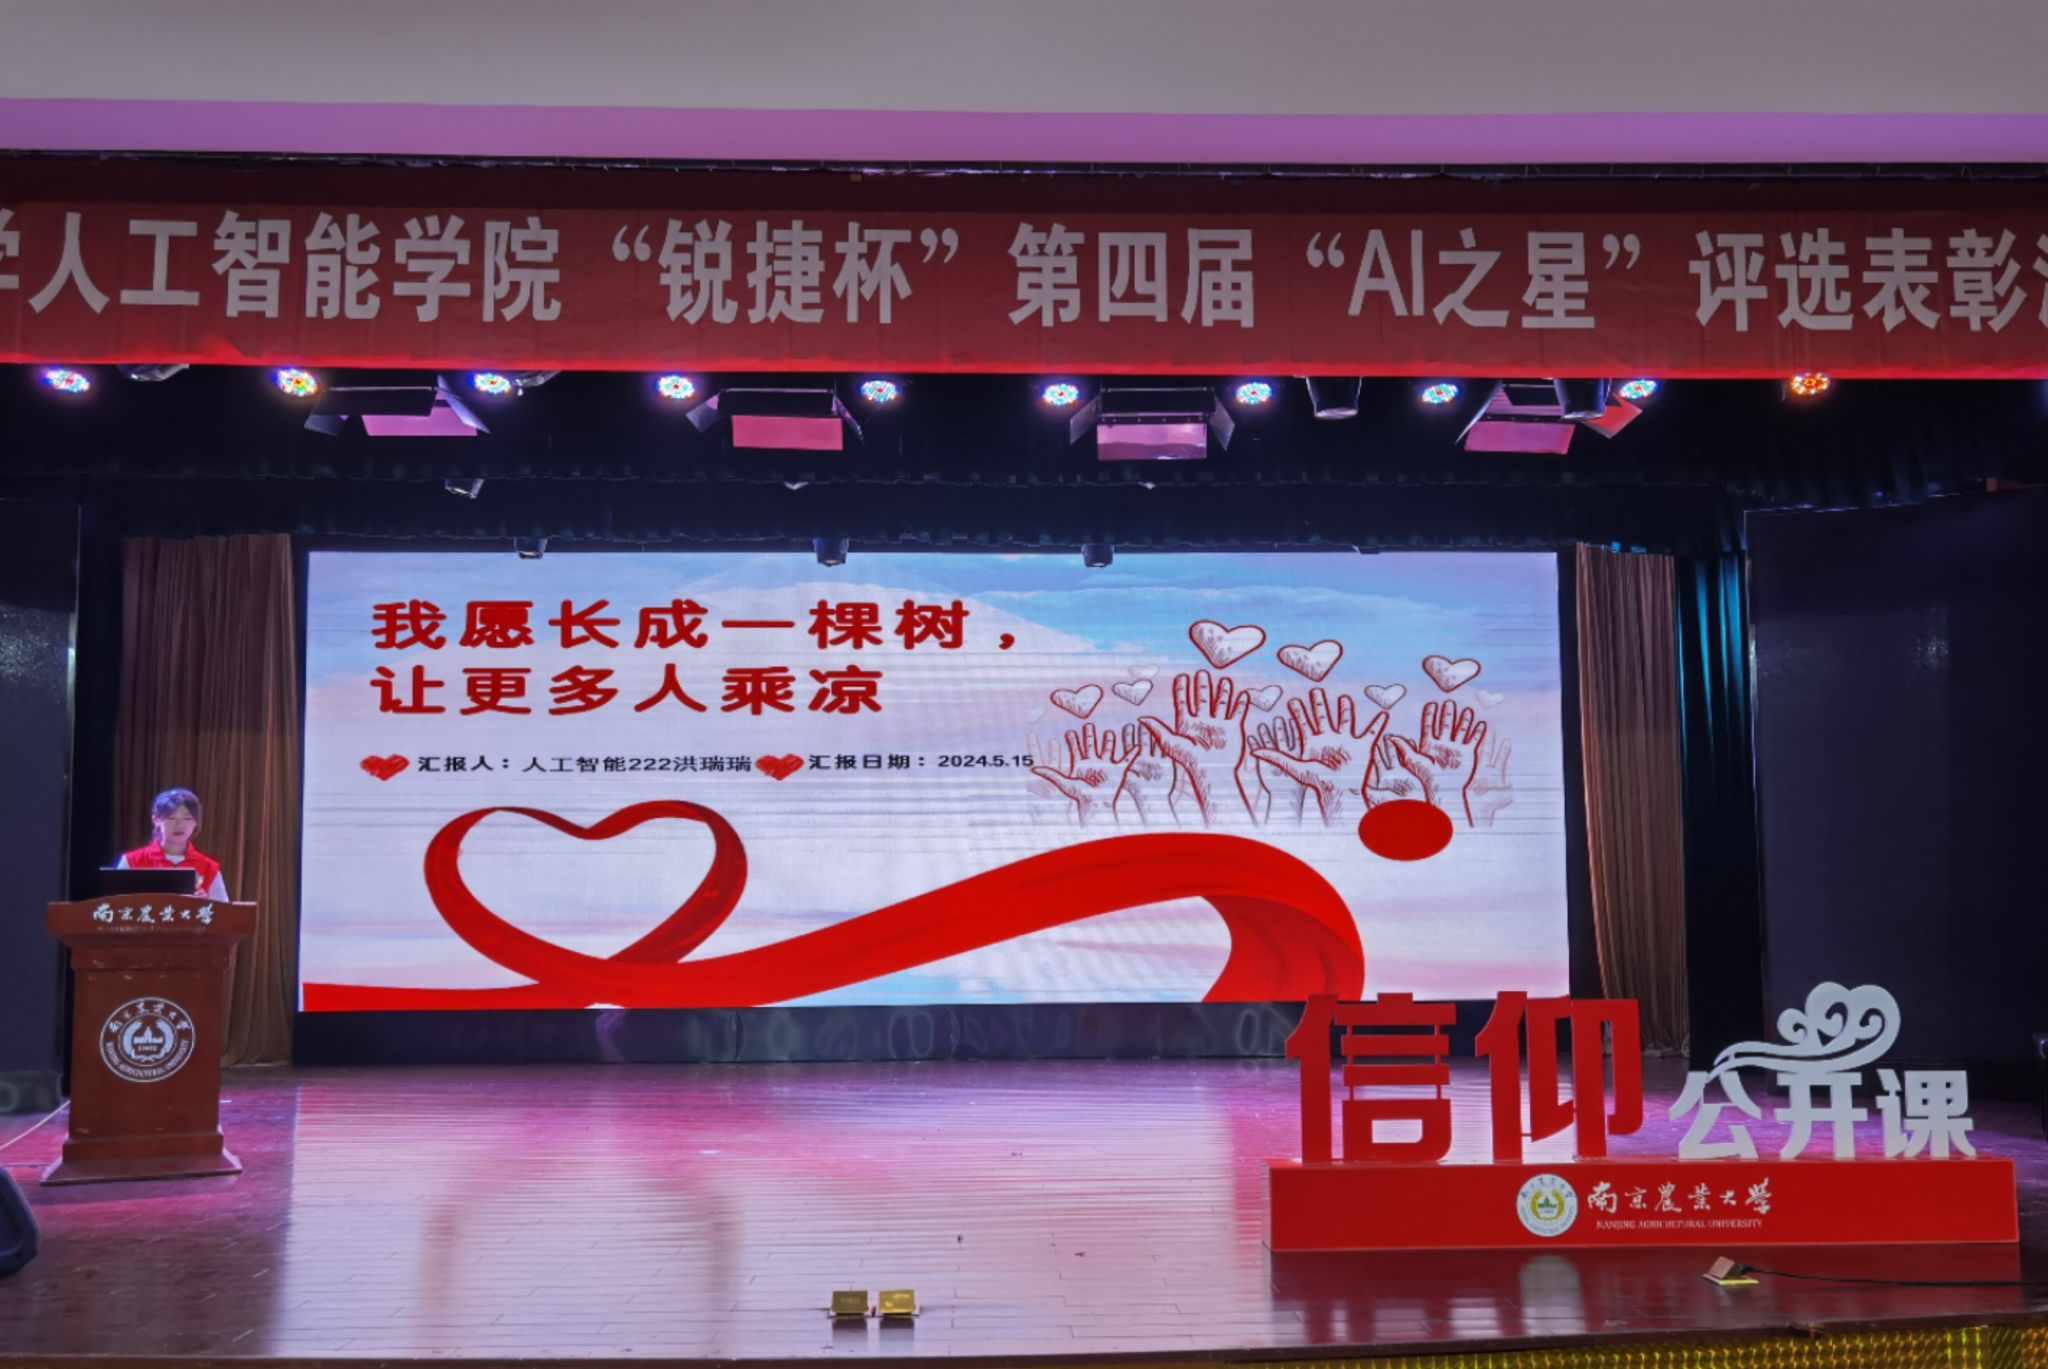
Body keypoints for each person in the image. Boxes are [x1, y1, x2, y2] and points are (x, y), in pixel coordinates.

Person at [117, 788, 229, 901]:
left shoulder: (208, 868)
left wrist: (206, 904)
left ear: (196, 822)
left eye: (187, 818)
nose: (179, 825)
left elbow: (224, 910)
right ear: (156, 820)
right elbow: (115, 906)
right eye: (171, 818)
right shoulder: (131, 862)